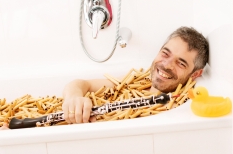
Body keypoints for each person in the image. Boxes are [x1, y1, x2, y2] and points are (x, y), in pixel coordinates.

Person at [62, 26, 209, 124]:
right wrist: (74, 99)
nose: (167, 65)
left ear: (195, 74)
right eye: (165, 53)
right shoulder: (136, 83)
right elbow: (79, 84)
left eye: (181, 63)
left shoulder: (174, 108)